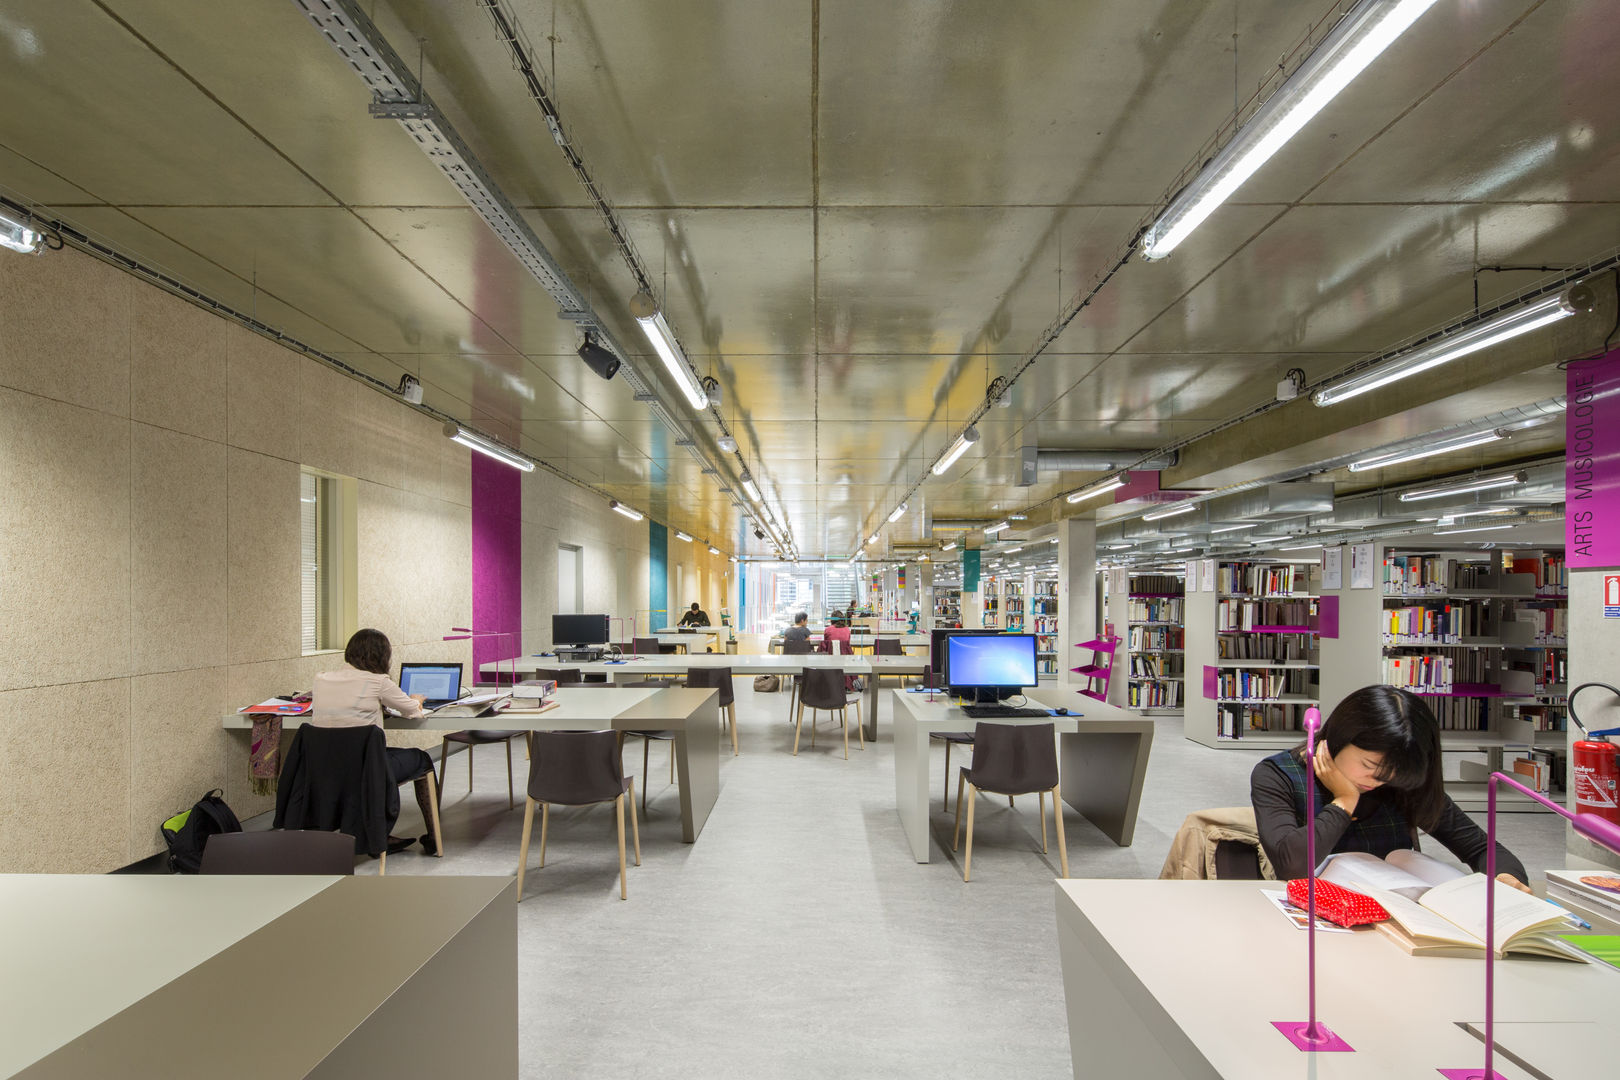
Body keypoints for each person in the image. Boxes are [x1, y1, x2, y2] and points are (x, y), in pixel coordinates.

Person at [1250, 685, 1529, 889]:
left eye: (1391, 775)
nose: (1377, 781)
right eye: (1369, 765)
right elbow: (1292, 865)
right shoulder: (1278, 775)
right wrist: (1345, 799)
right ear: (1340, 736)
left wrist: (1506, 879)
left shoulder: (1402, 782)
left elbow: (1481, 848)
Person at [309, 628, 440, 855]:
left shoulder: (321, 679)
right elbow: (413, 712)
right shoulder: (378, 681)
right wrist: (416, 700)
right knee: (422, 759)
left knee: (377, 753)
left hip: (326, 769)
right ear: (381, 656)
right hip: (368, 770)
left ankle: (378, 834)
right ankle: (433, 838)